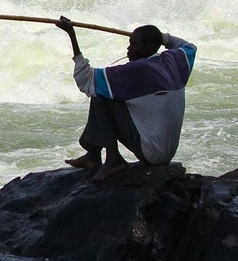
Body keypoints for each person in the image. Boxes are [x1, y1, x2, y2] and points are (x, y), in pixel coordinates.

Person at [55, 17, 197, 183]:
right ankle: (92, 155)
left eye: (134, 44)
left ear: (149, 47)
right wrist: (161, 37)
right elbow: (189, 46)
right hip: (166, 151)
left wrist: (72, 35)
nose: (128, 49)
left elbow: (86, 80)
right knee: (106, 90)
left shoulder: (138, 70)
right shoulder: (175, 62)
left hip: (151, 153)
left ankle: (112, 159)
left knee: (101, 96)